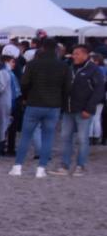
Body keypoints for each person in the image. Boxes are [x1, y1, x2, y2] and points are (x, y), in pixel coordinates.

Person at [10, 38, 68, 178]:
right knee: (48, 137)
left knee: (26, 136)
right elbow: (67, 88)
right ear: (56, 50)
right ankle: (41, 169)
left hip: (34, 103)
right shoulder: (63, 66)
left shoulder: (33, 64)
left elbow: (24, 83)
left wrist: (25, 97)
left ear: (41, 48)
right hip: (53, 105)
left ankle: (18, 167)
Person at [54, 44, 105, 175]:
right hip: (68, 109)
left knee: (82, 139)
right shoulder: (69, 68)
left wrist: (89, 108)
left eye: (77, 53)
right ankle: (64, 165)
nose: (74, 56)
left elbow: (99, 91)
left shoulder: (93, 70)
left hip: (84, 111)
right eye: (73, 53)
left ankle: (80, 166)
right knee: (65, 137)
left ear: (85, 54)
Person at [0, 46, 18, 156]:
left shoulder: (1, 72)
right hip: (3, 103)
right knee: (0, 127)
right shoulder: (4, 72)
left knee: (1, 127)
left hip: (2, 103)